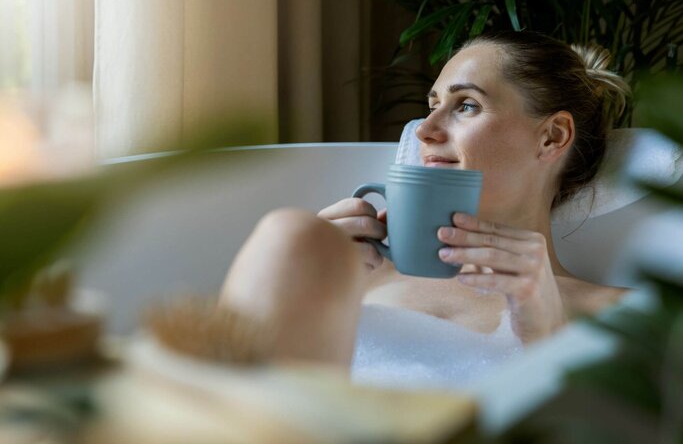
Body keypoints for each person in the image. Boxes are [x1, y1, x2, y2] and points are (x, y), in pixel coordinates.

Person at [219, 30, 631, 370]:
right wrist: (306, 271)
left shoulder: (622, 314)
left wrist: (547, 336)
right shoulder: (360, 274)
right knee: (290, 233)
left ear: (552, 136)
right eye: (432, 106)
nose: (424, 130)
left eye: (466, 105)